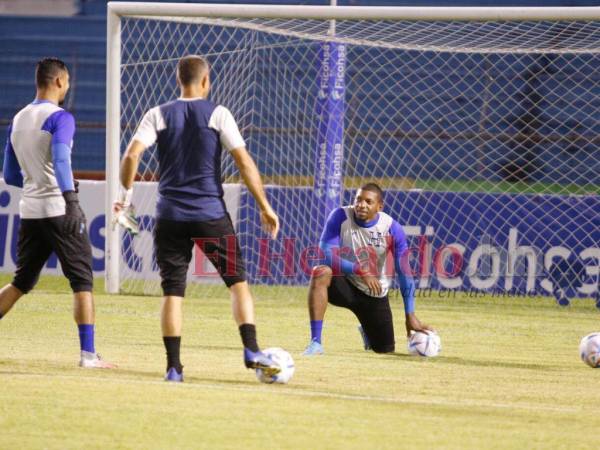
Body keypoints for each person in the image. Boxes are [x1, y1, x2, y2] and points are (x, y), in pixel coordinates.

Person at [114, 55, 281, 382]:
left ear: (180, 80)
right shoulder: (218, 113)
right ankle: (251, 350)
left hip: (170, 216)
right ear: (206, 81)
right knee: (237, 284)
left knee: (173, 292)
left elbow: (132, 154)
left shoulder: (157, 114)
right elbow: (244, 162)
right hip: (210, 214)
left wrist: (126, 196)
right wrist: (264, 205)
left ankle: (173, 368)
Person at [1, 57, 115, 368]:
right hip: (59, 210)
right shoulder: (60, 118)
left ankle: (89, 354)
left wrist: (37, 179)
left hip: (30, 212)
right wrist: (71, 199)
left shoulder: (19, 119)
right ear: (59, 82)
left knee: (22, 281)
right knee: (82, 281)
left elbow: (10, 176)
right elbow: (62, 161)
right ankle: (88, 355)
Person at [303, 182, 433, 355]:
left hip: (374, 292)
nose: (361, 205)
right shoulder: (340, 216)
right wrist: (361, 270)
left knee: (385, 350)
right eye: (358, 199)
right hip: (345, 285)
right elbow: (326, 254)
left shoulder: (392, 229)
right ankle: (316, 343)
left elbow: (404, 273)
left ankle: (367, 328)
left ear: (379, 206)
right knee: (320, 272)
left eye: (368, 202)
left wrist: (410, 314)